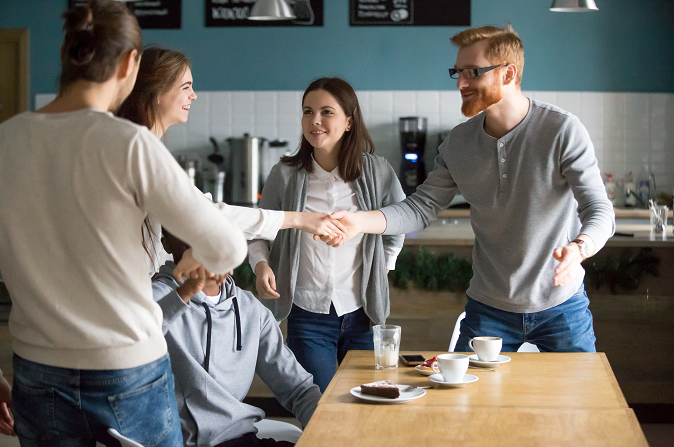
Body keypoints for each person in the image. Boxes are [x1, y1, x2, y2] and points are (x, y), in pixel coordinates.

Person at [0, 1, 247, 445]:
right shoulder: (129, 143)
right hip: (127, 369)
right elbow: (228, 247)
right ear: (132, 63)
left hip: (36, 372)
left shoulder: (6, 140)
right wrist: (194, 253)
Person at [327, 25, 615, 353]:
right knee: (466, 402)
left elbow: (599, 209)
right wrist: (359, 222)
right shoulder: (459, 142)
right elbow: (420, 208)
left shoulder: (562, 131)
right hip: (488, 308)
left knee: (580, 401)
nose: (461, 83)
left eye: (472, 72)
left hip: (562, 305)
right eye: (458, 72)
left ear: (508, 73)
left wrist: (579, 248)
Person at [116, 47, 347, 273]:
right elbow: (209, 215)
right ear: (157, 92)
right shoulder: (141, 151)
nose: (193, 95)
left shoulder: (140, 146)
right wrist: (300, 219)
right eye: (186, 87)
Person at [248, 77, 406, 392]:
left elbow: (398, 221)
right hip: (307, 314)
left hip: (363, 312)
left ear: (349, 121)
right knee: (317, 407)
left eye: (326, 112)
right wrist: (261, 265)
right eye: (308, 111)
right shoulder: (285, 175)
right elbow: (259, 230)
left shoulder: (378, 173)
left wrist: (383, 267)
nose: (315, 121)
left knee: (366, 405)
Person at [153, 226, 321, 447]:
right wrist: (190, 289)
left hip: (241, 438)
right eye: (184, 232)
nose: (197, 242)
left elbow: (297, 387)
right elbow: (136, 334)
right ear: (166, 244)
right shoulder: (155, 297)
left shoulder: (250, 309)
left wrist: (328, 430)